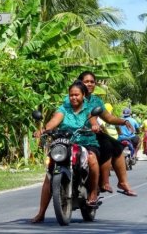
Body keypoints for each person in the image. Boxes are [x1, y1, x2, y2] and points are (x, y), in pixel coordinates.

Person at [31, 81, 102, 223]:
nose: (73, 98)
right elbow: (54, 121)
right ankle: (41, 213)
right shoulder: (64, 108)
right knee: (49, 173)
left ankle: (93, 193)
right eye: (71, 95)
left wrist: (94, 126)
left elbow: (93, 120)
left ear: (83, 95)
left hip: (86, 143)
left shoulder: (89, 108)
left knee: (92, 159)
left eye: (77, 95)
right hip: (65, 143)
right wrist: (44, 130)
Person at [73, 71, 137, 198]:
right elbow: (88, 114)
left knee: (118, 147)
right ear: (80, 83)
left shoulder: (96, 100)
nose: (90, 84)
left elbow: (109, 118)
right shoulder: (75, 97)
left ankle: (123, 182)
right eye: (86, 81)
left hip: (93, 133)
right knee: (106, 146)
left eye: (92, 81)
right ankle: (104, 182)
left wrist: (124, 121)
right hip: (76, 133)